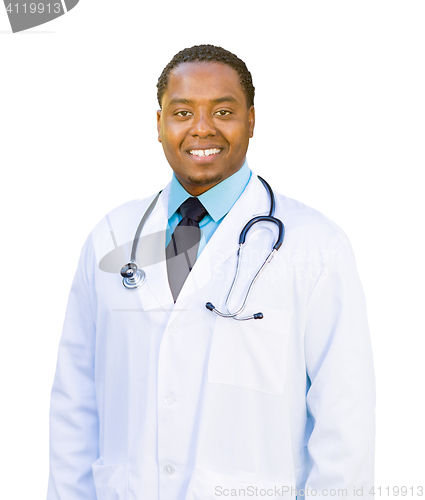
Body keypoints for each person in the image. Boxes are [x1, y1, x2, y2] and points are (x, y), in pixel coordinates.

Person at [47, 44, 375, 500]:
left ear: (252, 120)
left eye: (223, 110)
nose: (202, 128)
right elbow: (74, 406)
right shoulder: (109, 237)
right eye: (182, 111)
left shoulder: (316, 246)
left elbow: (345, 419)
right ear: (158, 125)